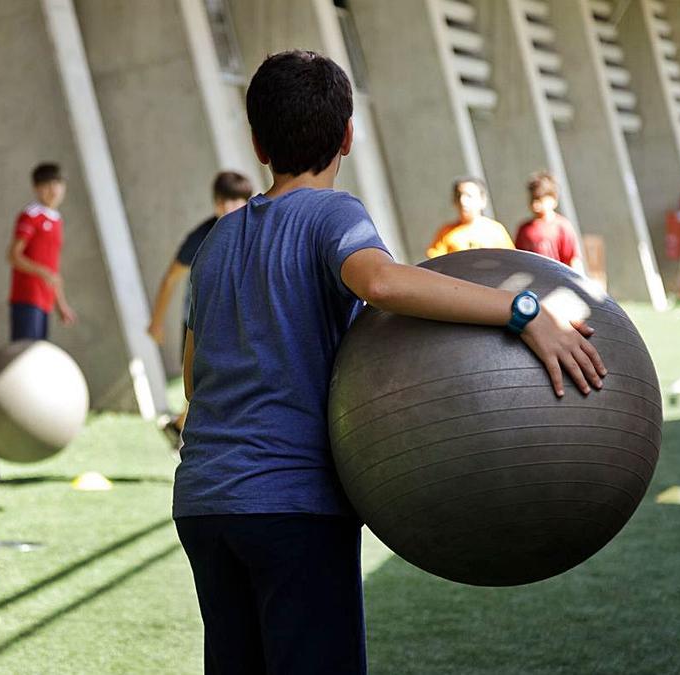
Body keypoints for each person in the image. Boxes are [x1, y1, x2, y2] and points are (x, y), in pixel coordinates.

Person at [175, 50, 605, 675]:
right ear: (349, 135)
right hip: (292, 507)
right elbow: (382, 282)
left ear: (256, 143)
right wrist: (523, 311)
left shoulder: (218, 241)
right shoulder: (333, 214)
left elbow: (193, 376)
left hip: (205, 504)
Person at [148, 171, 253, 444]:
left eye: (237, 201)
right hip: (199, 320)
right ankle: (189, 431)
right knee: (198, 385)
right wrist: (156, 322)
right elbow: (171, 279)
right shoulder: (202, 236)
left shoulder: (255, 231)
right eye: (224, 202)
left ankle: (179, 426)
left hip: (238, 317)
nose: (230, 208)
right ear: (216, 203)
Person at [8, 163, 77, 341]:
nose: (53, 190)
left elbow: (52, 267)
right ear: (36, 188)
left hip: (45, 300)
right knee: (25, 353)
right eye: (46, 185)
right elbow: (14, 256)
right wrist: (42, 272)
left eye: (56, 184)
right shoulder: (31, 216)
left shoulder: (56, 220)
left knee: (38, 353)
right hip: (27, 295)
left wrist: (60, 304)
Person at [426, 176, 514, 258]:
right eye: (459, 196)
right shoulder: (446, 232)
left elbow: (510, 260)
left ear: (482, 200)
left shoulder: (496, 230)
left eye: (469, 196)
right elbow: (435, 264)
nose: (463, 201)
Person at [513, 171, 583, 273]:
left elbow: (573, 259)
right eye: (533, 199)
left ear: (553, 200)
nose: (535, 205)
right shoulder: (524, 229)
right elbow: (518, 260)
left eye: (540, 200)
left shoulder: (562, 226)